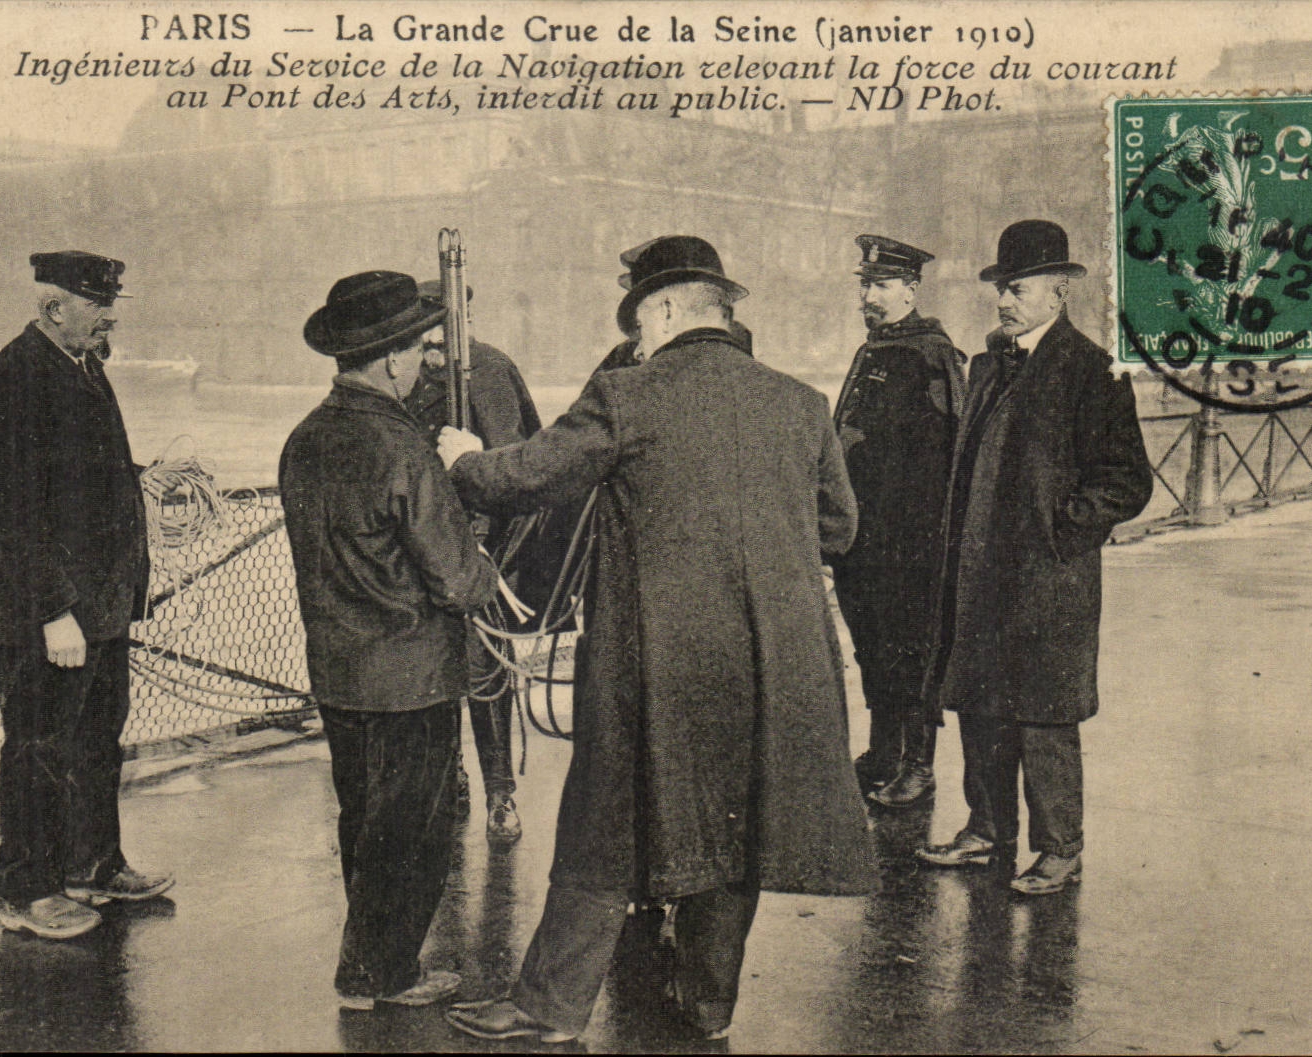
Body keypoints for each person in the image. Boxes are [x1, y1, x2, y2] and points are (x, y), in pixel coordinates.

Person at [439, 236, 879, 1044]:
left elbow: (526, 476)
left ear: (669, 308)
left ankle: (550, 1005)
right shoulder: (800, 402)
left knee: (603, 817)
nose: (636, 339)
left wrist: (465, 459)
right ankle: (709, 1005)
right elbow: (839, 528)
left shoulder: (627, 396)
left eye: (638, 320)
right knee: (734, 823)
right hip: (772, 663)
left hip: (656, 659)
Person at [280, 270, 498, 1008]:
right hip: (412, 677)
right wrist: (483, 559)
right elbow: (458, 581)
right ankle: (383, 972)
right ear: (394, 359)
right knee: (412, 834)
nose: (427, 362)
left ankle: (369, 962)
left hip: (339, 672)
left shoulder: (304, 439)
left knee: (364, 821)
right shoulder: (402, 445)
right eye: (420, 348)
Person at [915, 220, 1152, 895]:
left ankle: (1059, 847)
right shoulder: (989, 364)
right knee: (981, 706)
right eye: (1001, 289)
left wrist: (1061, 530)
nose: (1004, 301)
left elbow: (1127, 480)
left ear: (1059, 292)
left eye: (1017, 289)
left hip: (1048, 580)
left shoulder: (1091, 369)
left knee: (1045, 717)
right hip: (981, 574)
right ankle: (987, 830)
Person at [0, 250, 172, 940]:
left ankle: (93, 865)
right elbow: (11, 510)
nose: (110, 315)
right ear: (54, 307)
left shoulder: (81, 366)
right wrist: (54, 610)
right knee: (39, 748)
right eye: (97, 304)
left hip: (99, 610)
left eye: (110, 302)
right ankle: (25, 890)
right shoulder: (17, 376)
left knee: (95, 740)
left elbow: (84, 476)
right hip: (52, 615)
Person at [404, 280, 540, 844]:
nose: (432, 350)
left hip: (484, 558)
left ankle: (500, 795)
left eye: (440, 334)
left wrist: (491, 553)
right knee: (430, 681)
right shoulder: (408, 377)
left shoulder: (489, 371)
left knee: (486, 678)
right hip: (420, 558)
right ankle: (451, 779)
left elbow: (514, 470)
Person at [832, 235, 966, 808]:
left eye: (882, 285)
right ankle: (883, 752)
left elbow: (945, 456)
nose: (870, 296)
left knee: (912, 648)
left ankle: (918, 765)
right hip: (864, 537)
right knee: (872, 646)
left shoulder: (929, 354)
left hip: (910, 540)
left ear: (911, 290)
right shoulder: (875, 350)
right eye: (865, 285)